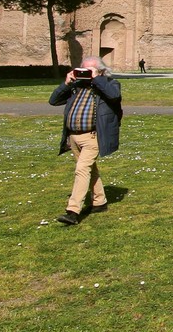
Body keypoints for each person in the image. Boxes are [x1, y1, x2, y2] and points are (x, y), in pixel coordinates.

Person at [48, 56, 122, 225]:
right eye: (83, 69)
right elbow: (53, 101)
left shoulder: (110, 84)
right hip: (73, 136)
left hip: (93, 136)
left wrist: (97, 79)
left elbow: (114, 96)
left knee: (82, 169)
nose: (85, 73)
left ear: (100, 71)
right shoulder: (76, 86)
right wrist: (66, 83)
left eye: (89, 70)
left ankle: (73, 211)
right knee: (90, 170)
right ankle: (100, 201)